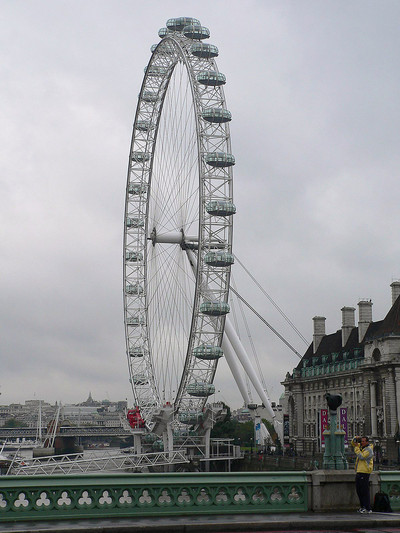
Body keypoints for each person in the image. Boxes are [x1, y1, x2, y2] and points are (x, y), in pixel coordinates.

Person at [351, 435, 374, 513]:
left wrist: (357, 448)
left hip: (365, 472)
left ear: (367, 442)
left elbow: (361, 456)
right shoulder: (361, 447)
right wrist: (355, 438)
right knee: (359, 490)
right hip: (359, 471)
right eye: (361, 441)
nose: (362, 443)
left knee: (364, 491)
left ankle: (367, 508)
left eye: (363, 441)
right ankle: (362, 506)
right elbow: (353, 443)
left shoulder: (369, 449)